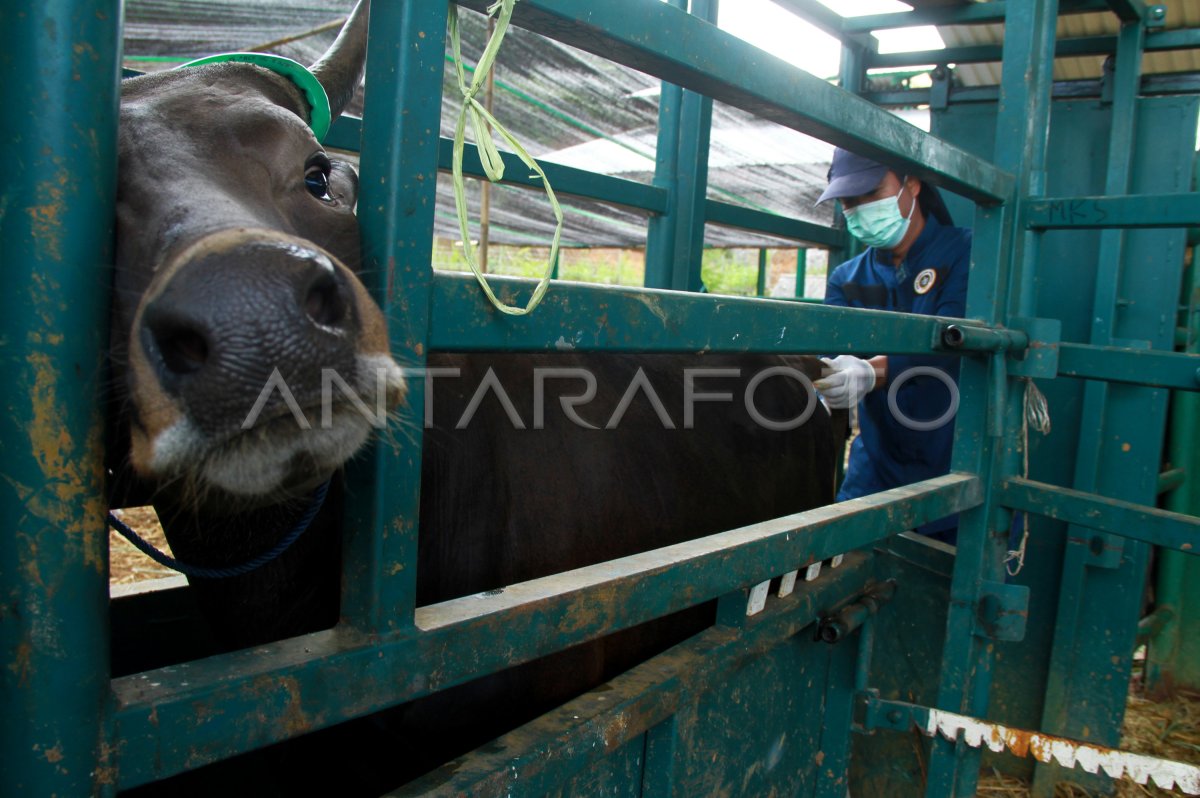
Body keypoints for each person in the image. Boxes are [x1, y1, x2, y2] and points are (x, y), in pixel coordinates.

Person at [814, 148, 971, 544]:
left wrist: (870, 371)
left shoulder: (966, 253)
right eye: (849, 201)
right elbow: (831, 351)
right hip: (877, 463)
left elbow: (951, 343)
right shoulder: (848, 276)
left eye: (871, 193)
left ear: (911, 184)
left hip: (955, 458)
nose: (860, 208)